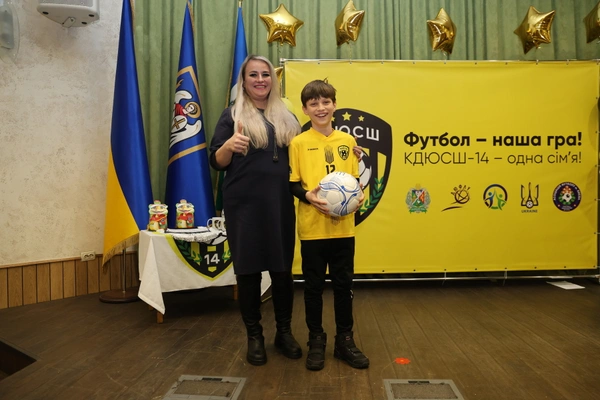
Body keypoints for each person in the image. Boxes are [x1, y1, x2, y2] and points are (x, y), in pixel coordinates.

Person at [209, 55, 302, 366]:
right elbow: (216, 162)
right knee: (248, 272)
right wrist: (228, 146)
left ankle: (284, 333)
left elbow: (305, 157)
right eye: (253, 75)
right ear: (244, 81)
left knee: (282, 271)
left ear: (272, 80)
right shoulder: (232, 115)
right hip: (244, 206)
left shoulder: (288, 117)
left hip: (279, 204)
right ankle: (255, 336)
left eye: (265, 74)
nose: (260, 80)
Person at [289, 79, 369, 371]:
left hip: (343, 228)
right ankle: (316, 339)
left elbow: (354, 181)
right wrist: (308, 197)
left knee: (343, 286)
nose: (320, 108)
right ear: (305, 109)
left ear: (335, 105)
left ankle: (345, 340)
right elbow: (293, 184)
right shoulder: (298, 143)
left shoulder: (348, 141)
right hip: (312, 230)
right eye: (314, 104)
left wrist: (359, 195)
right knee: (312, 288)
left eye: (326, 102)